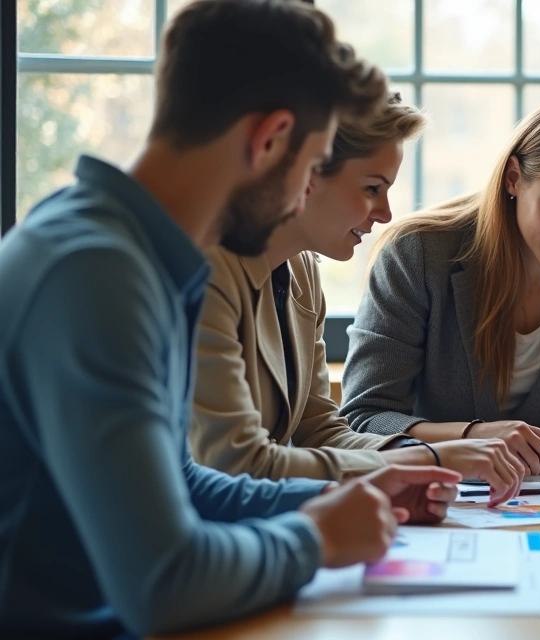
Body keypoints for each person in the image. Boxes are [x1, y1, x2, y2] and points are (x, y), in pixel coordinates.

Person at [0, 2, 460, 637]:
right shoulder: (95, 273)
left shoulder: (139, 254)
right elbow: (164, 583)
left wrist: (341, 495)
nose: (305, 193)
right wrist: (316, 538)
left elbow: (185, 483)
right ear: (269, 139)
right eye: (313, 160)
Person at [189, 93, 525, 504]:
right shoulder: (206, 271)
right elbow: (236, 462)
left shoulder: (302, 270)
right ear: (306, 173)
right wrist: (430, 459)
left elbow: (321, 432)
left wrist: (409, 467)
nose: (385, 213)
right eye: (371, 188)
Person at [341, 97, 540, 472]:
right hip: (439, 499)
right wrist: (477, 439)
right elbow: (365, 417)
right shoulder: (418, 254)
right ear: (514, 178)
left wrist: (520, 451)